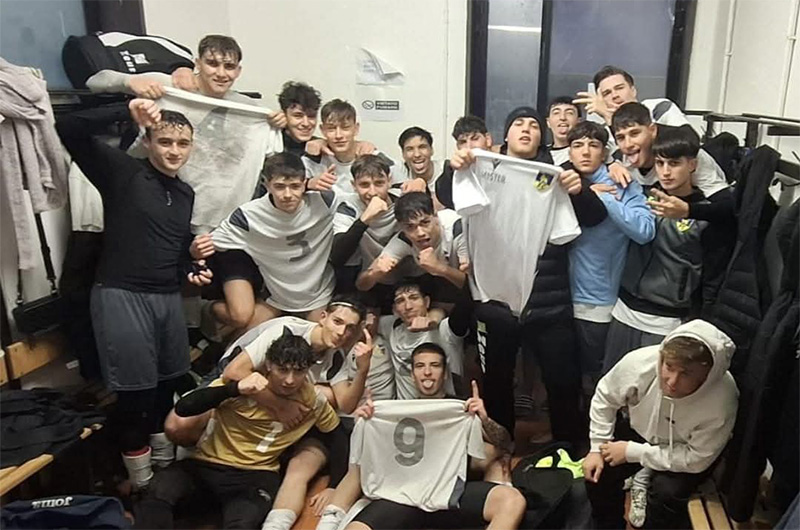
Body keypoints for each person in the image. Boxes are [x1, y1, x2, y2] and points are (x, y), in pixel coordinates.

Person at [55, 99, 212, 489]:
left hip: (166, 298)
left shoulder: (186, 193)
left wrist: (191, 268)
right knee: (135, 398)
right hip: (122, 295)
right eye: (165, 142)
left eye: (182, 143)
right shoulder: (124, 173)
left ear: (191, 147)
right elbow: (67, 127)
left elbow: (173, 252)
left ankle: (163, 471)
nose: (174, 151)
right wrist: (126, 110)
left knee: (166, 387)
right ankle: (141, 486)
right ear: (148, 141)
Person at [442, 106, 606, 449]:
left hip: (548, 301)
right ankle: (500, 451)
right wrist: (453, 169)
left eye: (533, 124)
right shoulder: (482, 166)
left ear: (541, 136)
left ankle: (568, 451)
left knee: (563, 382)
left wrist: (579, 191)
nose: (527, 128)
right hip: (494, 299)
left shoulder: (558, 173)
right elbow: (448, 195)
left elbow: (594, 217)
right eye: (519, 123)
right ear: (505, 135)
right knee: (496, 381)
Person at [134, 333, 350, 529]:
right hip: (206, 464)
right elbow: (184, 408)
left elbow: (338, 436)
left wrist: (334, 485)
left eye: (299, 371)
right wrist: (233, 389)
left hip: (256, 475)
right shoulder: (246, 386)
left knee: (242, 523)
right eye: (283, 370)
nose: (290, 380)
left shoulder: (312, 400)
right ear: (269, 365)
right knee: (157, 492)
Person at [317, 342, 524, 530]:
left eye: (435, 365)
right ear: (412, 374)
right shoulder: (393, 411)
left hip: (449, 493)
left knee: (512, 500)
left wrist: (484, 419)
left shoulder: (462, 409)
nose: (427, 372)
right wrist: (368, 422)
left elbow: (505, 443)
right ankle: (331, 518)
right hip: (401, 496)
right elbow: (371, 460)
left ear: (445, 373)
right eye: (420, 366)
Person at [603, 123, 735, 372]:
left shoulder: (707, 214)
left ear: (692, 165)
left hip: (667, 319)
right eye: (660, 163)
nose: (665, 172)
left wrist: (700, 322)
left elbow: (713, 277)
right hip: (623, 308)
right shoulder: (641, 197)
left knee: (657, 388)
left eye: (674, 164)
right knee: (614, 381)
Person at [583, 320, 738, 530]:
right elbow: (605, 397)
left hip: (686, 448)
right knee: (598, 471)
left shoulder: (723, 400)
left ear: (707, 373)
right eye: (669, 367)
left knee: (666, 493)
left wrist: (634, 453)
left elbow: (697, 459)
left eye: (686, 373)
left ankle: (646, 487)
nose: (672, 381)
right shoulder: (640, 363)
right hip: (643, 429)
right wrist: (596, 446)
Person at [191, 152, 338, 333]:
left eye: (295, 186)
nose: (287, 195)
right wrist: (196, 251)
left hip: (318, 294)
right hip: (275, 297)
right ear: (266, 184)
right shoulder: (248, 217)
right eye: (279, 187)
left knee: (320, 342)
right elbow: (205, 246)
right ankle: (208, 311)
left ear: (304, 183)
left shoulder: (325, 201)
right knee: (242, 343)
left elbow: (357, 200)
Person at [565, 121, 655, 396]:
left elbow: (645, 231)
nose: (585, 152)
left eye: (593, 145)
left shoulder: (621, 182)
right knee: (564, 374)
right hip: (558, 297)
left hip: (598, 300)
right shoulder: (563, 180)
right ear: (569, 153)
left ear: (604, 153)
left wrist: (604, 199)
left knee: (598, 378)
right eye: (578, 145)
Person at [611, 102, 732, 221]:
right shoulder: (621, 159)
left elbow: (730, 207)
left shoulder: (687, 155)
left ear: (652, 130)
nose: (628, 144)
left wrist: (688, 211)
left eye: (634, 133)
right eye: (621, 137)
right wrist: (612, 164)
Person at [356, 192, 469, 304]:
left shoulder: (458, 229)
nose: (420, 233)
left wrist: (440, 268)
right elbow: (361, 285)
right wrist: (375, 273)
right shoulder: (404, 239)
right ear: (401, 227)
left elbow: (473, 286)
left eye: (425, 222)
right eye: (410, 227)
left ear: (435, 216)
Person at [303, 99, 425, 195]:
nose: (338, 135)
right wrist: (309, 184)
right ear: (322, 130)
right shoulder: (313, 159)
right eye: (331, 129)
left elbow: (405, 186)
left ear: (356, 129)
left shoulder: (374, 156)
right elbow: (293, 187)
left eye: (345, 128)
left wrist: (419, 182)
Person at [378, 280, 468, 399]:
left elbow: (465, 305)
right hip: (406, 408)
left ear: (426, 302)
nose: (408, 306)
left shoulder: (443, 330)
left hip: (445, 405)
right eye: (400, 301)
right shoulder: (391, 327)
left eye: (414, 298)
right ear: (395, 309)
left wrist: (434, 319)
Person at [329, 155, 402, 294]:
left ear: (389, 181)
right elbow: (337, 257)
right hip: (364, 280)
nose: (372, 192)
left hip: (403, 277)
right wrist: (365, 218)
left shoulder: (402, 202)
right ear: (354, 186)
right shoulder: (349, 207)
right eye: (364, 185)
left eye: (379, 183)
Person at [574, 65, 689, 128]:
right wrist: (609, 119)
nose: (615, 95)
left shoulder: (658, 107)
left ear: (633, 91)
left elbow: (686, 141)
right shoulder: (605, 131)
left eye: (619, 88)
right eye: (607, 93)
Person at [397, 126, 443, 192]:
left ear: (431, 150)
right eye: (410, 149)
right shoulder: (401, 175)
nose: (417, 154)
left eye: (422, 147)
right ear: (403, 154)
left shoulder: (448, 172)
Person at [546, 96, 582, 166]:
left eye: (569, 113)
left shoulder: (585, 152)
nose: (562, 117)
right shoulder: (539, 153)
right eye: (556, 113)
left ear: (579, 121)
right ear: (548, 122)